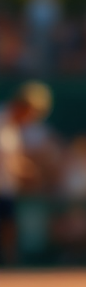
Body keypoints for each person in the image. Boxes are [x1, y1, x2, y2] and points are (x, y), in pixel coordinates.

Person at [0, 82, 53, 265]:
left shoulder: (14, 129)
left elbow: (11, 160)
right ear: (22, 106)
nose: (32, 118)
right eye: (32, 112)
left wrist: (28, 170)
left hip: (6, 189)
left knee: (9, 227)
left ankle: (11, 267)